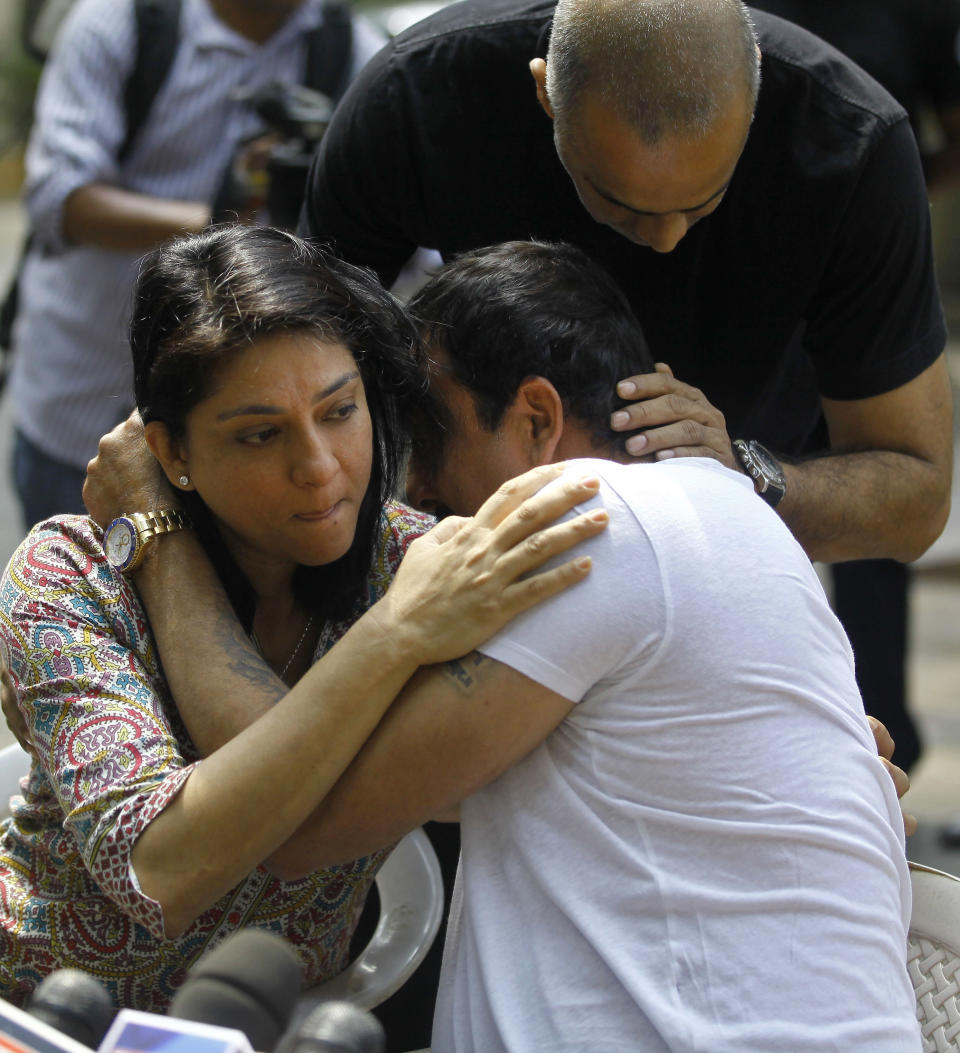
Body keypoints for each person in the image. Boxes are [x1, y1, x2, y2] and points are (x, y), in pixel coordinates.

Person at [81, 239, 920, 1050]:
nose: (413, 485)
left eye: (423, 431)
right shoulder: (733, 519)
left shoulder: (580, 527)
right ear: (176, 447)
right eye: (262, 433)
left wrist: (161, 546)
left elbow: (296, 819)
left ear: (535, 419)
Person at [0, 225, 604, 1009]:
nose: (318, 467)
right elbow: (157, 870)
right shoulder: (71, 579)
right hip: (47, 1018)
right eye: (260, 434)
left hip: (282, 1019)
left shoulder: (418, 565)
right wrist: (392, 640)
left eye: (339, 410)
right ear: (170, 450)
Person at [302, 0, 952, 581]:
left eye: (704, 201)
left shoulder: (851, 145)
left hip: (731, 550)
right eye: (615, 201)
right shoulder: (417, 102)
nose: (666, 240)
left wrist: (742, 471)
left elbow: (915, 497)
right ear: (545, 94)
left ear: (755, 92)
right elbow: (298, 371)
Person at [8, 0, 385, 530]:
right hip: (82, 414)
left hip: (249, 445)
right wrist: (228, 223)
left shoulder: (348, 45)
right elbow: (63, 196)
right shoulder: (122, 18)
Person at [712, 0, 960, 783]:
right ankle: (748, 741)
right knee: (738, 509)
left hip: (870, 305)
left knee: (876, 523)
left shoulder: (919, 2)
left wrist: (886, 208)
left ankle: (882, 748)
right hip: (751, 299)